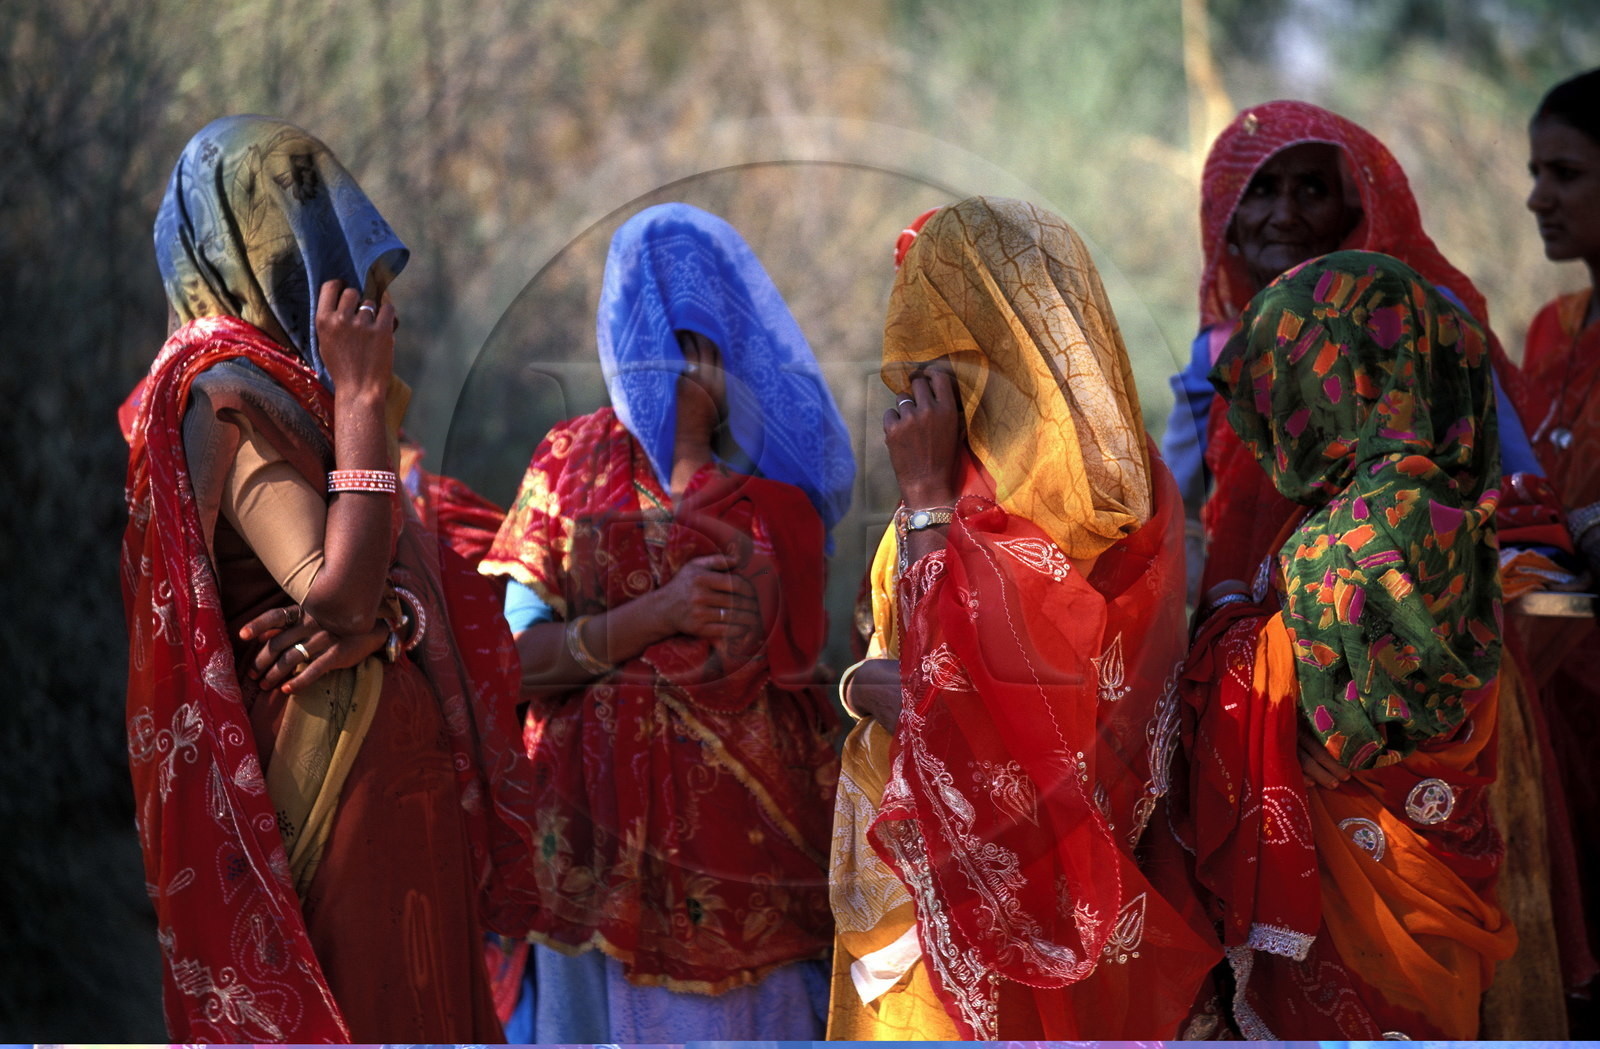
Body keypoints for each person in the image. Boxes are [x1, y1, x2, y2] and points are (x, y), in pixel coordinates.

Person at [120, 115, 538, 1041]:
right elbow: (337, 590)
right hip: (326, 798)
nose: (327, 262)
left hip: (395, 795)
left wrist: (390, 622)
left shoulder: (289, 386)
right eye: (293, 230)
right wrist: (358, 401)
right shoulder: (220, 391)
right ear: (236, 237)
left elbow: (377, 595)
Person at [827, 196, 1220, 1040]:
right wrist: (868, 682)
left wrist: (930, 509)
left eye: (933, 334)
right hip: (964, 901)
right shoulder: (1123, 484)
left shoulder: (1025, 505)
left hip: (984, 929)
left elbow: (984, 720)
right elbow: (912, 675)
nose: (910, 372)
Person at [477, 202, 853, 1042]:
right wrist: (657, 612)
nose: (685, 367)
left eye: (703, 342)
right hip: (586, 858)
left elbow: (756, 668)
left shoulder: (774, 506)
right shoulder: (570, 465)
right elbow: (514, 661)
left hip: (748, 868)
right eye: (662, 338)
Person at [1177, 249, 1517, 1039]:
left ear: (1340, 382)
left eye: (1281, 390)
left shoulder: (1376, 525)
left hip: (1372, 890)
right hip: (1417, 879)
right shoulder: (1439, 505)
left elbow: (1336, 728)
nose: (1266, 426)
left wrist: (1227, 620)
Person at [1162, 100, 1544, 598]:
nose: (1285, 215)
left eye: (1313, 190)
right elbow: (1172, 502)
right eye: (1260, 190)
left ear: (1351, 210)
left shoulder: (1417, 314)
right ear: (1226, 219)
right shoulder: (1218, 353)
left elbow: (1514, 470)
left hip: (1413, 619)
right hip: (1259, 624)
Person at [1501, 65, 1600, 1028]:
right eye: (1536, 170)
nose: (1537, 196)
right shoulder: (1552, 328)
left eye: (1565, 172)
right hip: (1546, 707)